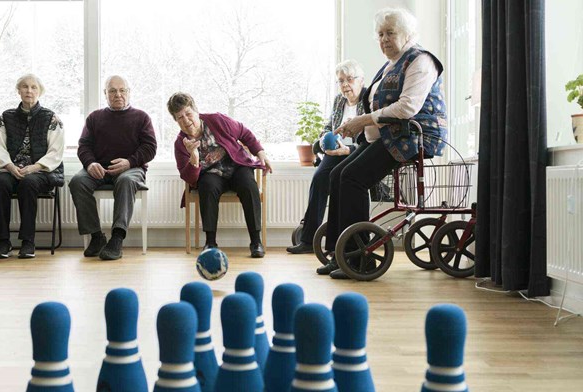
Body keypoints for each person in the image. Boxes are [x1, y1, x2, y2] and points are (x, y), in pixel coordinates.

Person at [317, 7, 447, 279]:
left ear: (407, 34)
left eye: (390, 33)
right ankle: (339, 254)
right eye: (380, 34)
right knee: (337, 173)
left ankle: (359, 260)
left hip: (411, 137)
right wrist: (355, 126)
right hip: (388, 137)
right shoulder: (390, 64)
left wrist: (362, 121)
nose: (384, 39)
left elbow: (407, 107)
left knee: (352, 177)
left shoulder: (420, 61)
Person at [168, 92, 272, 258]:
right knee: (206, 186)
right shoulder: (180, 144)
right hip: (212, 174)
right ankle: (210, 242)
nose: (186, 121)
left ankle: (256, 241)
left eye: (188, 114)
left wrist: (260, 153)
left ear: (196, 111)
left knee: (248, 184)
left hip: (237, 166)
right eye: (180, 118)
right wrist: (194, 158)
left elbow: (244, 133)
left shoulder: (217, 120)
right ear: (176, 121)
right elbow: (189, 178)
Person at [69, 75, 157, 260]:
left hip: (131, 169)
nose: (118, 94)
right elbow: (84, 146)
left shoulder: (141, 117)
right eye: (112, 90)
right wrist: (90, 163)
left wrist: (129, 162)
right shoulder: (94, 118)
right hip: (99, 169)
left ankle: (117, 238)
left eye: (122, 90)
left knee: (125, 181)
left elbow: (150, 148)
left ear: (128, 92)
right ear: (105, 93)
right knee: (77, 181)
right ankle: (96, 236)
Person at [286, 60, 366, 254]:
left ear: (361, 81)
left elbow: (370, 139)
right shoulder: (339, 100)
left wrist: (348, 150)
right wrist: (323, 141)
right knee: (319, 178)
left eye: (349, 79)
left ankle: (341, 241)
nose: (345, 85)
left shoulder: (369, 100)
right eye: (341, 81)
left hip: (358, 152)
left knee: (340, 180)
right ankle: (307, 239)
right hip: (335, 151)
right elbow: (329, 127)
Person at [0, 74, 65, 259]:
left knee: (28, 183)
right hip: (9, 168)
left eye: (33, 87)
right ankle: (3, 241)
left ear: (40, 91)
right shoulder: (5, 117)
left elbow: (56, 151)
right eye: (24, 87)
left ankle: (28, 241)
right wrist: (10, 166)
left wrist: (34, 167)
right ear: (18, 91)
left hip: (41, 171)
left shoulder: (51, 118)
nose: (29, 91)